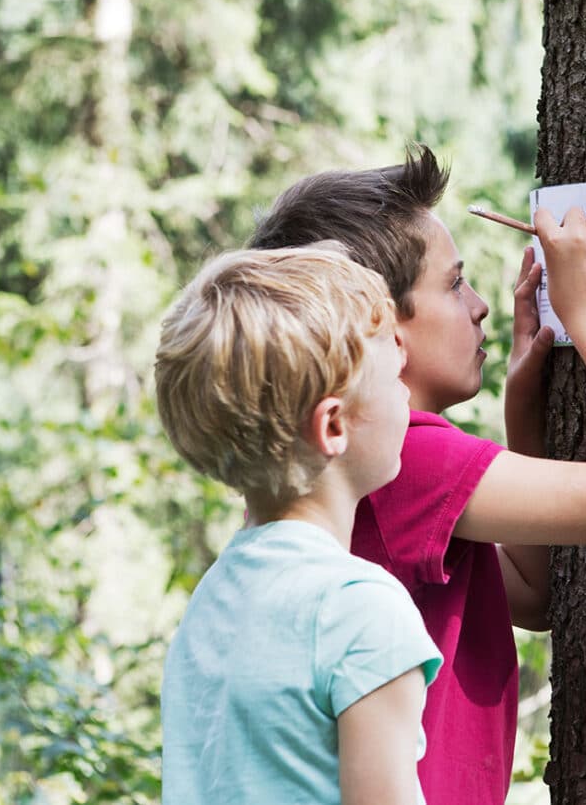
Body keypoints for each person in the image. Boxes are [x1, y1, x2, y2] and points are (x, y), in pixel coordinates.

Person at [249, 145, 586, 805]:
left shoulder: (346, 457)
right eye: (453, 283)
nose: (480, 305)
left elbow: (530, 594)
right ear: (383, 328)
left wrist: (522, 408)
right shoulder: (410, 458)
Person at [154, 246, 442, 805]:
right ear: (333, 425)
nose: (407, 392)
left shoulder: (212, 600)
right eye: (395, 376)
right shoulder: (362, 610)